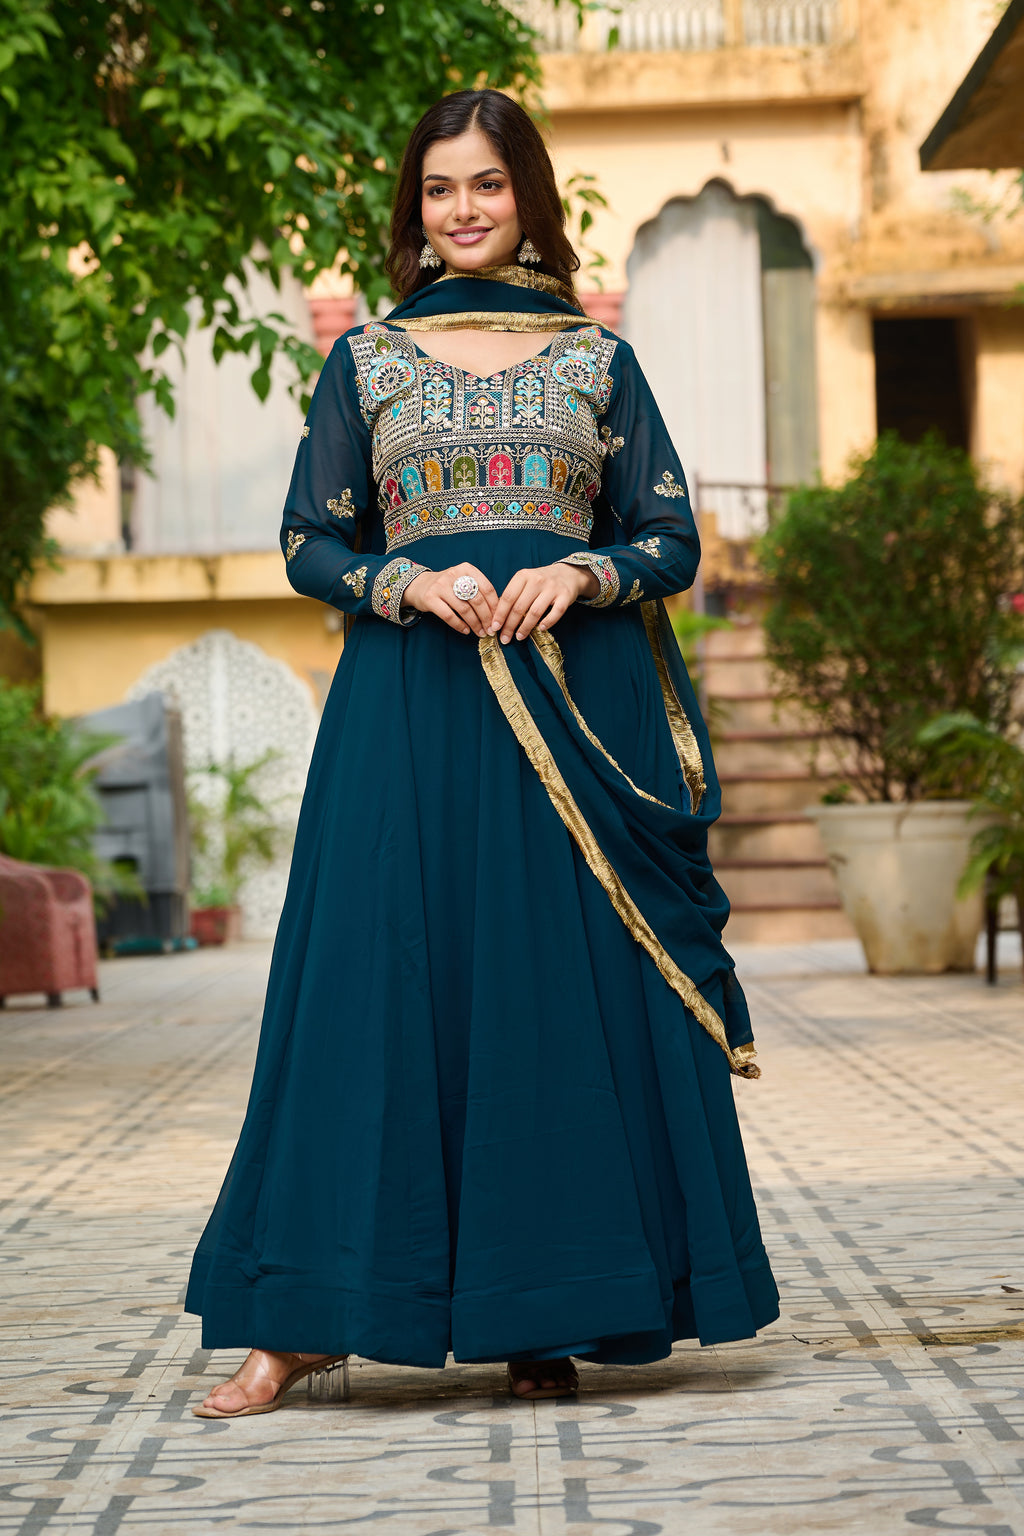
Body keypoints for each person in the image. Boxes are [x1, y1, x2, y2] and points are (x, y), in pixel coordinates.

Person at [186, 88, 779, 1418]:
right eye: (441, 189)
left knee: (544, 1000)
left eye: (489, 186)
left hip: (566, 719)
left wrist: (581, 571)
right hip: (407, 714)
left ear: (530, 198)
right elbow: (309, 542)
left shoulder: (597, 362)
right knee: (365, 994)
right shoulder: (366, 363)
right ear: (415, 207)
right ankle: (294, 1323)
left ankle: (546, 1312)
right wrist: (406, 584)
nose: (463, 209)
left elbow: (671, 541)